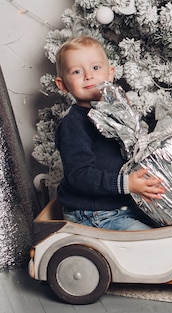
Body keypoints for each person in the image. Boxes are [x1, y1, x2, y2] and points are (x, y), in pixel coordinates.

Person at [54, 36, 165, 230]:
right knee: (147, 243)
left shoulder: (115, 112)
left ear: (110, 73)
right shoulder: (74, 124)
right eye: (77, 71)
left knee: (168, 230)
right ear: (62, 85)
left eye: (95, 68)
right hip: (93, 212)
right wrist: (127, 184)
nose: (88, 76)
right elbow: (79, 175)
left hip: (122, 205)